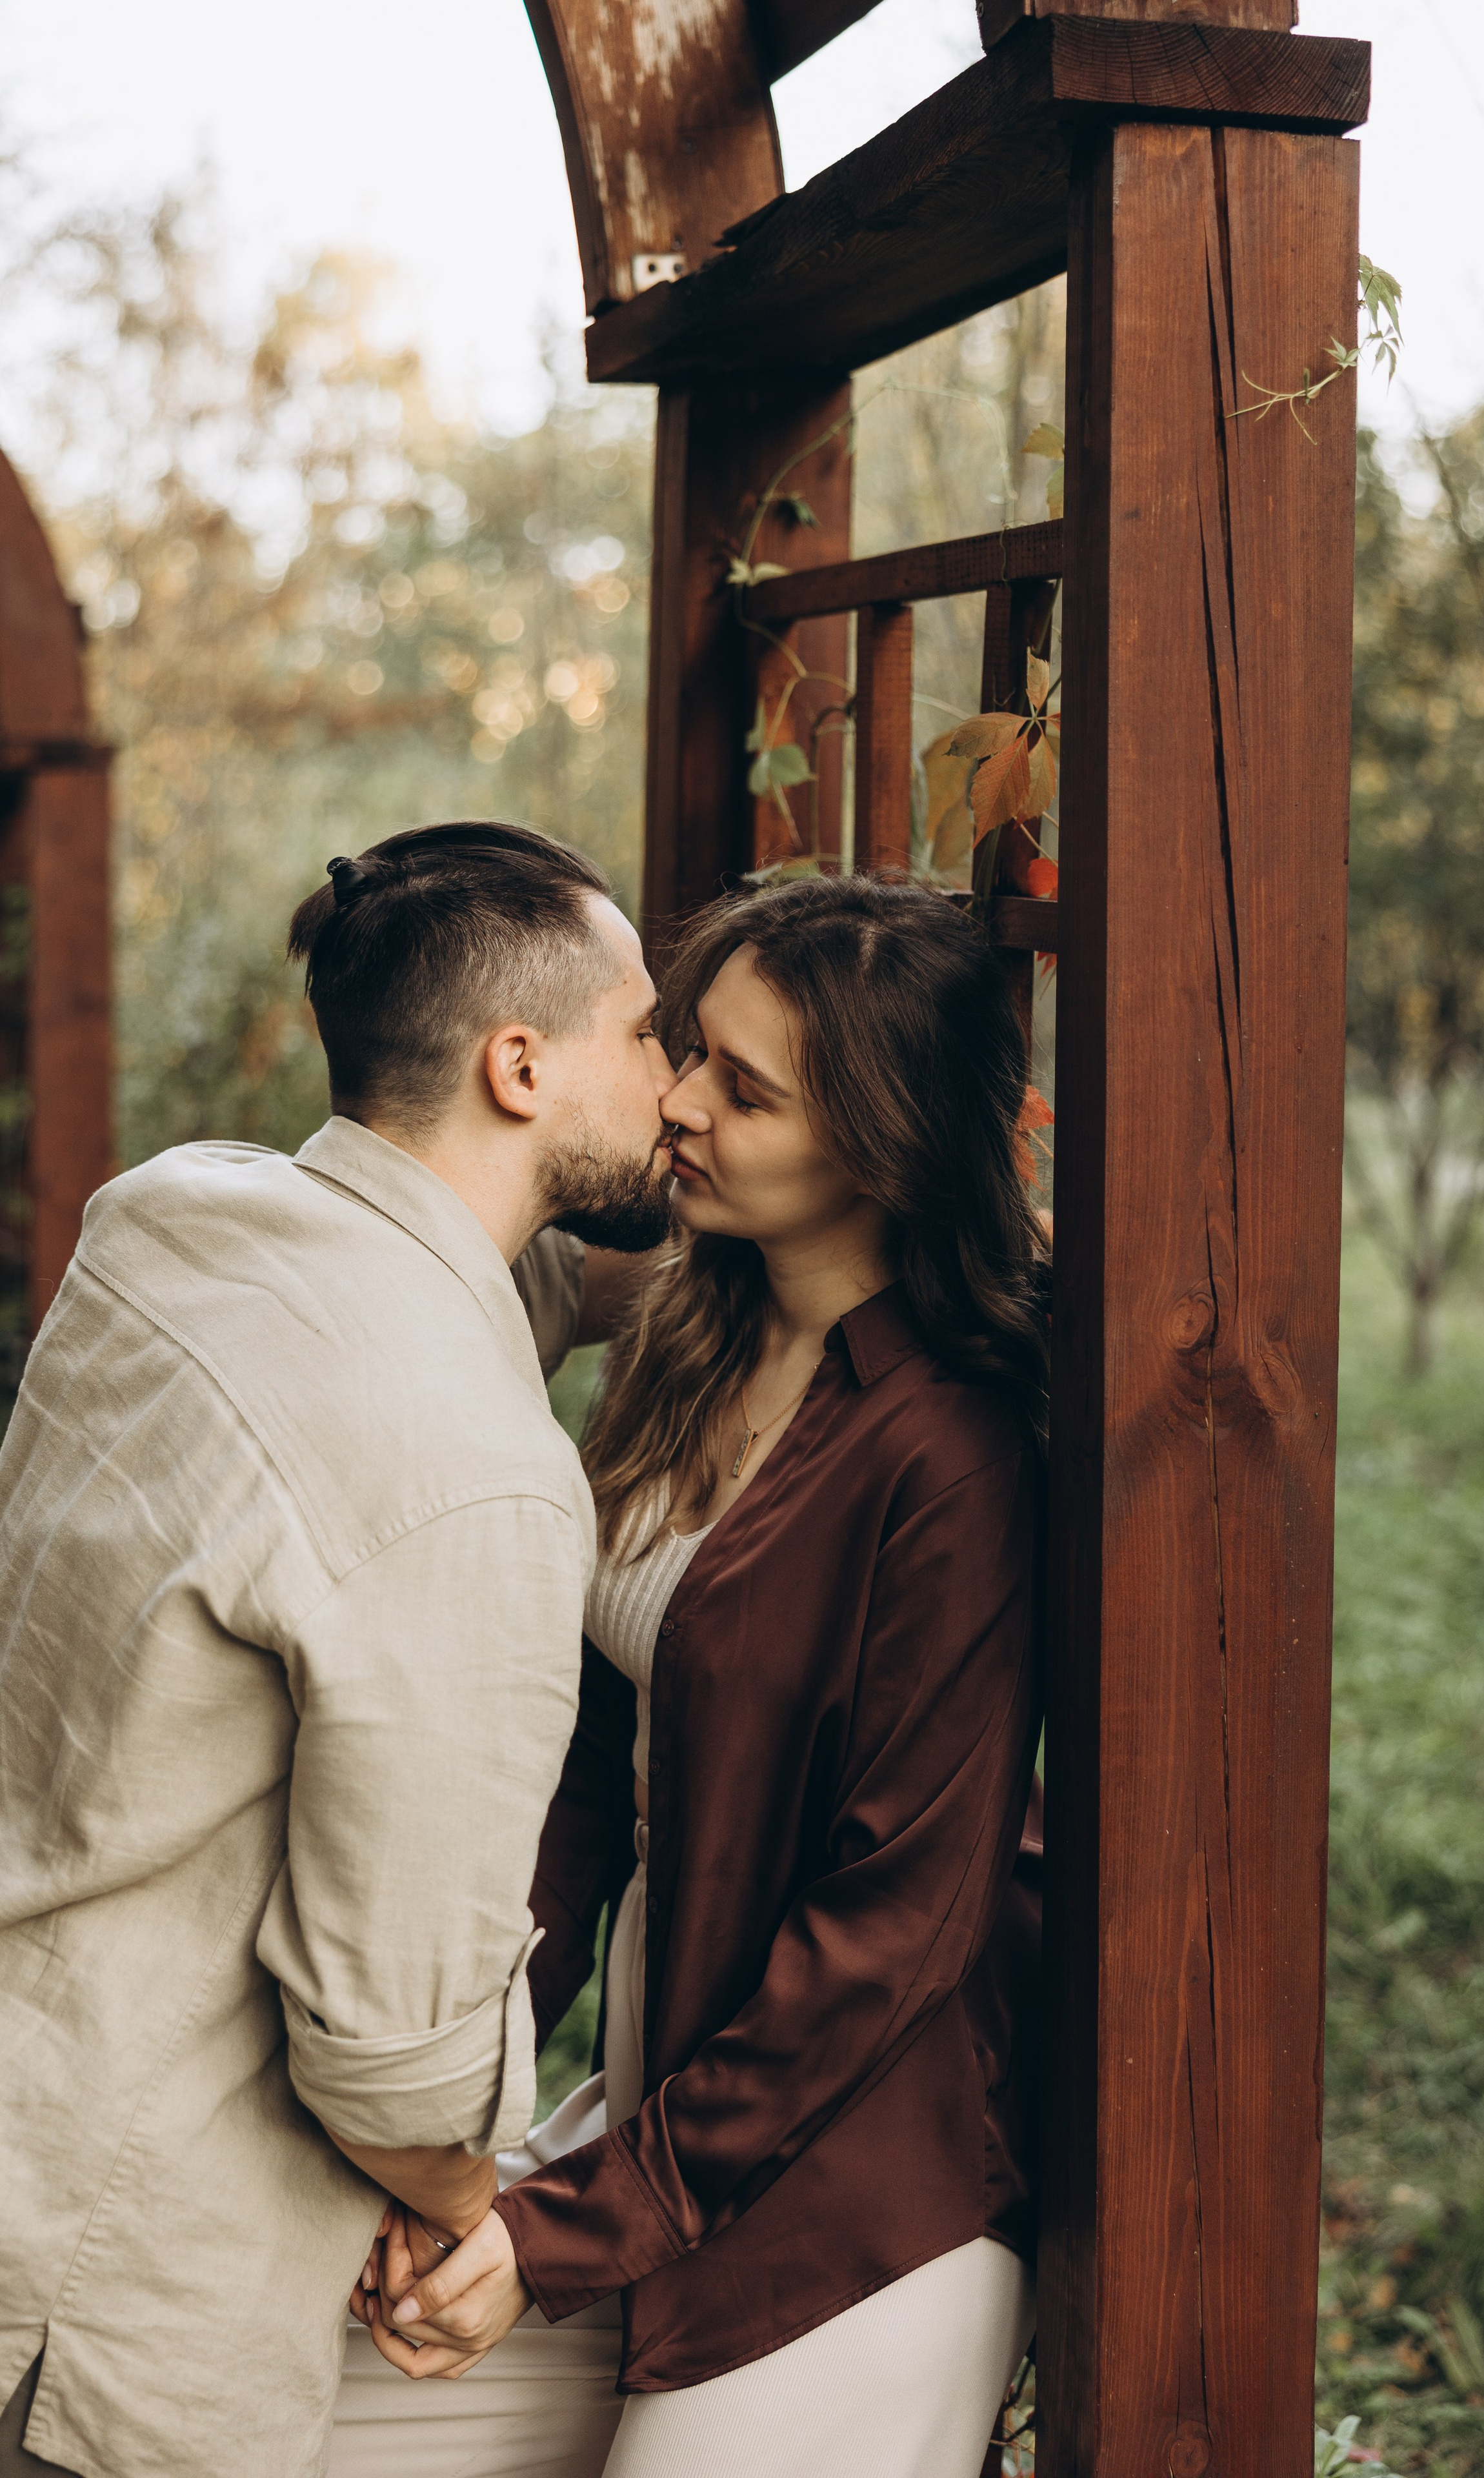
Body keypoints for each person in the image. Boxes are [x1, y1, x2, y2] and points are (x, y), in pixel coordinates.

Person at [0, 821, 676, 2478]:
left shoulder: (167, 1223)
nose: (677, 1080)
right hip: (115, 2275)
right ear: (521, 1068)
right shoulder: (475, 1481)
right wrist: (470, 2207)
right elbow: (390, 2044)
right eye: (648, 1033)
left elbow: (404, 1328)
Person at [354, 874, 1045, 2478]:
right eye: (686, 1051)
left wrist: (583, 2221)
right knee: (252, 2403)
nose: (671, 1104)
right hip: (649, 2125)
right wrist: (443, 2143)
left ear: (879, 1144)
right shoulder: (690, 1335)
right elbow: (585, 1783)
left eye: (741, 1090)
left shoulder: (949, 1453)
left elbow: (895, 1932)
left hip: (854, 2203)